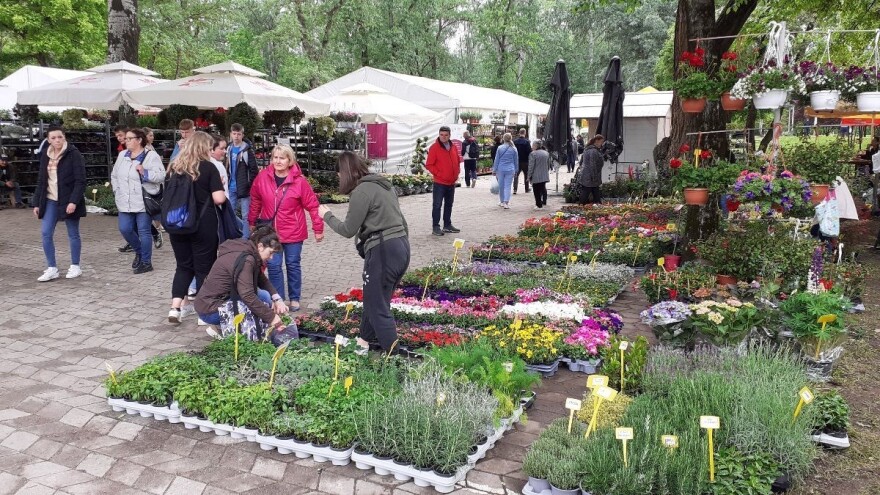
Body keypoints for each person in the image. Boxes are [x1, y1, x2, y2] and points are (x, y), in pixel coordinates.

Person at [318, 152, 410, 352]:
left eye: (339, 174)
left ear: (346, 172)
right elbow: (402, 222)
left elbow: (348, 229)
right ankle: (363, 343)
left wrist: (327, 215)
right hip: (400, 247)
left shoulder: (362, 191)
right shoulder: (384, 186)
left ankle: (393, 360)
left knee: (378, 308)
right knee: (374, 299)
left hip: (383, 251)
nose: (338, 179)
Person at [248, 144, 323, 312]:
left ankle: (295, 298)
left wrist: (318, 228)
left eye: (282, 158)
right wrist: (252, 221)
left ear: (290, 160)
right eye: (275, 157)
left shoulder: (300, 181)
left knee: (293, 264)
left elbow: (312, 205)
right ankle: (278, 299)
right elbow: (255, 201)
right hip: (271, 231)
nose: (278, 161)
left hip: (294, 231)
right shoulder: (262, 177)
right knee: (274, 266)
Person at [166, 131, 227, 324]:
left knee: (183, 266)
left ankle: (175, 308)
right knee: (204, 268)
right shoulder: (208, 168)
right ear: (203, 148)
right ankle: (203, 313)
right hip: (203, 225)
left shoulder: (174, 167)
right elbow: (219, 199)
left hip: (177, 224)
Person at [194, 225, 289, 339]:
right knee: (257, 303)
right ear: (260, 246)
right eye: (271, 252)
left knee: (264, 296)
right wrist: (272, 317)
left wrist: (277, 298)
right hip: (209, 310)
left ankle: (222, 327)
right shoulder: (247, 260)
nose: (272, 257)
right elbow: (248, 296)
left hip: (214, 301)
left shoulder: (247, 249)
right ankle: (228, 330)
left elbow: (261, 279)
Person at [32, 126, 86, 282]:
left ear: (64, 137)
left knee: (73, 233)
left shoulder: (74, 154)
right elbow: (42, 180)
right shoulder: (45, 155)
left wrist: (73, 201)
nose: (57, 140)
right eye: (53, 138)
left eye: (60, 137)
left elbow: (80, 181)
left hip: (68, 200)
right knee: (45, 233)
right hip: (50, 200)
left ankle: (75, 266)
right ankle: (52, 268)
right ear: (48, 140)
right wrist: (37, 203)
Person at [111, 128, 165, 274]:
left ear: (139, 140)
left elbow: (161, 175)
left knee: (144, 231)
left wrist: (145, 172)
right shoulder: (123, 155)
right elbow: (114, 175)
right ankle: (140, 252)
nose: (126, 141)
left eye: (129, 139)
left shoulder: (150, 155)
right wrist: (117, 190)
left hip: (143, 201)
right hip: (124, 201)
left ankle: (146, 262)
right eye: (126, 139)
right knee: (125, 229)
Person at [425, 126, 461, 236]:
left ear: (449, 135)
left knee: (449, 204)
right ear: (439, 135)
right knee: (437, 205)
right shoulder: (434, 148)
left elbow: (458, 161)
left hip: (451, 182)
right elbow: (429, 165)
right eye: (441, 135)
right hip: (440, 183)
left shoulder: (453, 147)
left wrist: (457, 172)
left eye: (446, 135)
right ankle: (435, 227)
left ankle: (447, 225)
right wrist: (440, 174)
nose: (443, 137)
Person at [227, 123, 259, 239]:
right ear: (230, 134)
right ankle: (241, 231)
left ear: (242, 135)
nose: (236, 136)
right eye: (234, 134)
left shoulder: (247, 150)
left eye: (238, 134)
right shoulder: (229, 148)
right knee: (230, 212)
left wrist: (249, 184)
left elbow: (254, 169)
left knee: (246, 215)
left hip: (245, 187)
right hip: (231, 186)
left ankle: (245, 239)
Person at [493, 133, 519, 209]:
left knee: (501, 186)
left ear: (503, 139)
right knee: (508, 186)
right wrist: (516, 170)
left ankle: (501, 201)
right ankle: (506, 202)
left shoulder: (500, 148)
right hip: (510, 169)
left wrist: (494, 170)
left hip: (500, 169)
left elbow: (496, 160)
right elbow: (516, 161)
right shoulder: (514, 149)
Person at [578, 134, 606, 205]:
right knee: (586, 193)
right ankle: (581, 206)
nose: (602, 144)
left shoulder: (588, 149)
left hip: (588, 176)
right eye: (601, 142)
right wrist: (594, 178)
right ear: (596, 141)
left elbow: (581, 163)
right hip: (590, 177)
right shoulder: (593, 151)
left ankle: (597, 205)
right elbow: (592, 165)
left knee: (594, 192)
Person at [528, 140, 551, 210]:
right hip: (544, 174)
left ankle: (538, 204)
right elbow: (548, 164)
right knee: (543, 187)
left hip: (536, 174)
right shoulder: (546, 153)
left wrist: (529, 175)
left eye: (533, 145)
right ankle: (544, 201)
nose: (532, 147)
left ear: (535, 146)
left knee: (536, 190)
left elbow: (531, 166)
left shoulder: (533, 154)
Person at [513, 128, 532, 194]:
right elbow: (529, 152)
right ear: (525, 133)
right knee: (526, 175)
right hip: (525, 161)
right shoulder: (527, 142)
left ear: (519, 132)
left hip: (517, 161)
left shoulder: (515, 141)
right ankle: (526, 189)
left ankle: (515, 189)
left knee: (516, 175)